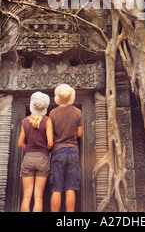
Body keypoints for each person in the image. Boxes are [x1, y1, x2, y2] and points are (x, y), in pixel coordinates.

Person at [49, 83, 83, 212]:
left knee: (56, 188)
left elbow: (50, 135)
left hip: (58, 151)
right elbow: (79, 133)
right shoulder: (77, 112)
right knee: (71, 187)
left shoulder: (52, 113)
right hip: (73, 150)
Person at [18, 91, 53, 212]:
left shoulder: (25, 121)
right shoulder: (47, 121)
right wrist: (45, 150)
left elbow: (20, 143)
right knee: (38, 197)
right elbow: (50, 143)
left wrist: (28, 149)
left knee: (26, 196)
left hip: (28, 158)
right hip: (42, 159)